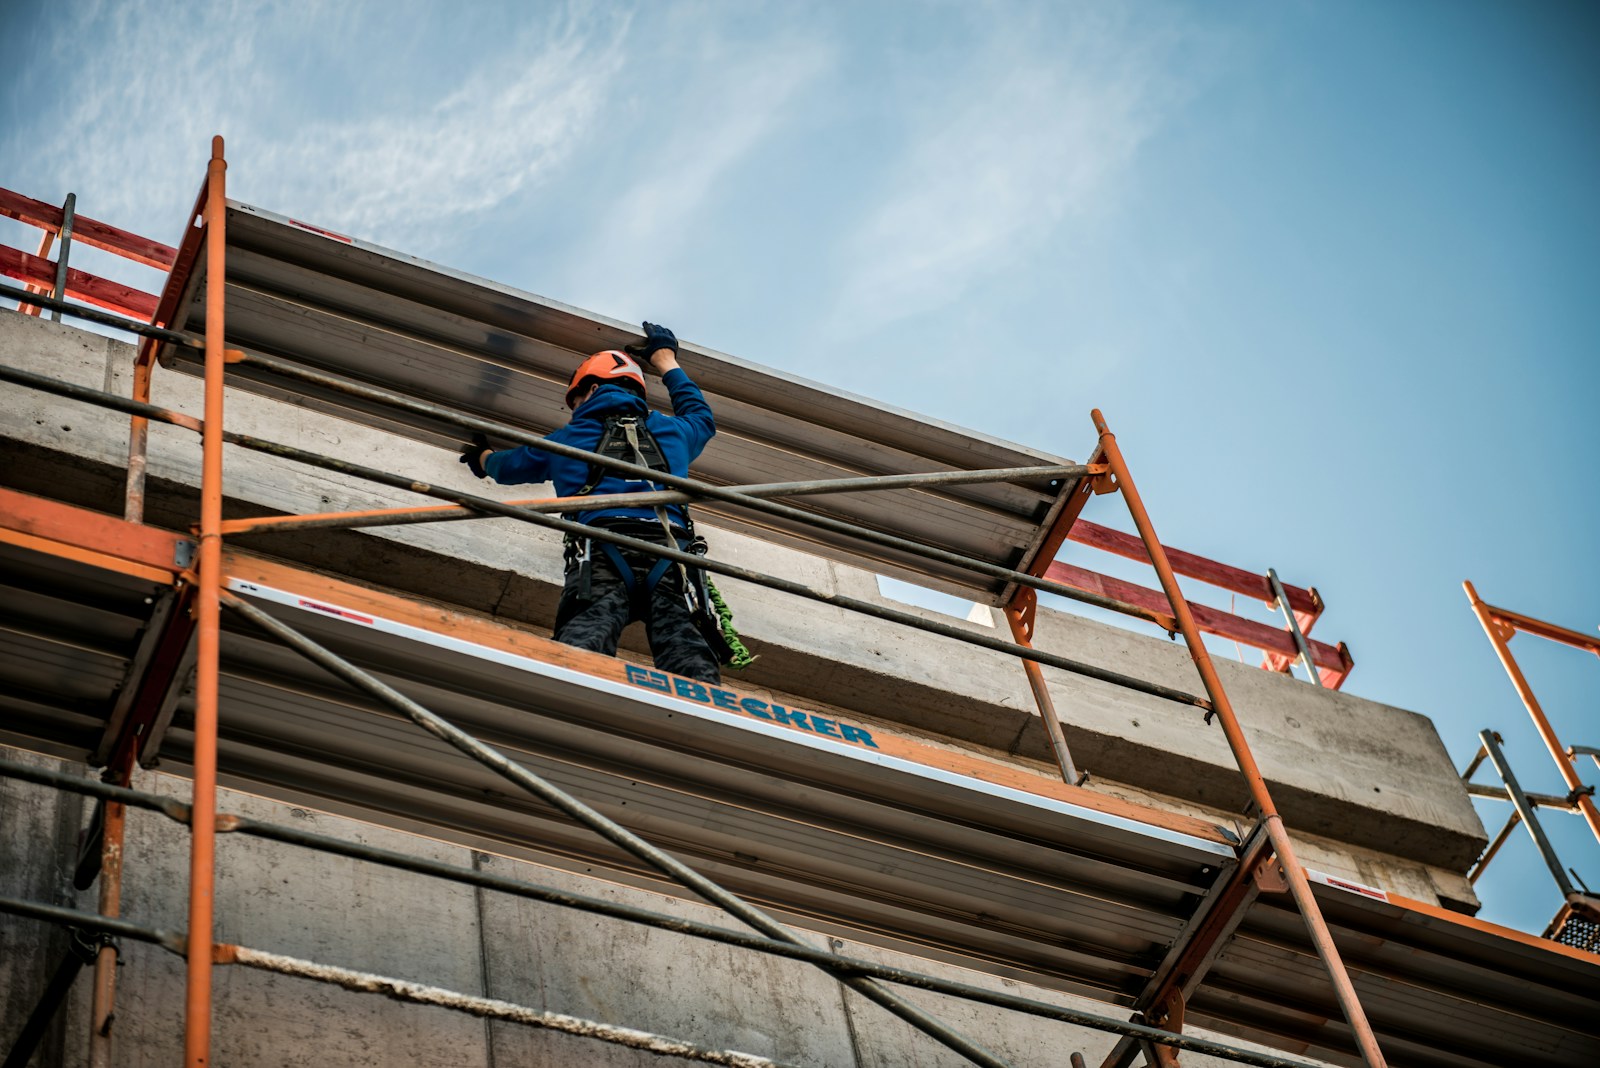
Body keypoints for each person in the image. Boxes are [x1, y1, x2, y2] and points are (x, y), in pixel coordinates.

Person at [458, 322, 729, 683]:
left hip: (602, 550)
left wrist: (483, 458)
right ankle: (703, 717)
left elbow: (508, 466)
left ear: (593, 389)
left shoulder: (566, 439)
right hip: (672, 553)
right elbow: (701, 416)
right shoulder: (675, 431)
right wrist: (666, 360)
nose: (573, 408)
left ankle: (573, 696)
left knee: (586, 636)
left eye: (575, 399)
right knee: (688, 651)